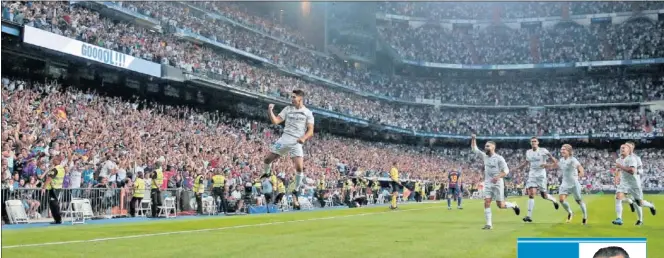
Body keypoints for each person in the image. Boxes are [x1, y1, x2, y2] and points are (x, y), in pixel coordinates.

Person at [470, 134, 520, 230]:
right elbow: (474, 149)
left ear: (493, 147)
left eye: (488, 146)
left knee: (500, 205)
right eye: (485, 146)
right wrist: (473, 138)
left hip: (497, 183)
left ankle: (513, 205)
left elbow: (506, 171)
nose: (485, 147)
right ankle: (489, 224)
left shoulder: (499, 158)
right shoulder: (484, 156)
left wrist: (498, 177)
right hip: (488, 183)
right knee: (487, 202)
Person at [517, 137, 559, 223]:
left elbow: (555, 161)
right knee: (531, 194)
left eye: (535, 141)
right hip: (532, 175)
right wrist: (519, 168)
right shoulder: (528, 152)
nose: (533, 143)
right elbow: (526, 162)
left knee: (544, 195)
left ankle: (554, 200)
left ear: (538, 142)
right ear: (530, 143)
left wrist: (547, 165)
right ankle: (528, 216)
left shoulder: (544, 151)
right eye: (532, 141)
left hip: (541, 175)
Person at [544, 144, 588, 225]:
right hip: (565, 183)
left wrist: (581, 172)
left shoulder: (572, 160)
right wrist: (546, 165)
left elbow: (579, 166)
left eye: (564, 149)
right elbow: (555, 165)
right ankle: (570, 212)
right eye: (561, 149)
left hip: (574, 183)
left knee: (579, 201)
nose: (562, 151)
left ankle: (585, 217)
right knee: (561, 200)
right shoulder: (562, 160)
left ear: (569, 151)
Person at [624, 141, 657, 216]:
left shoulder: (636, 158)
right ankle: (631, 202)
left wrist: (635, 171)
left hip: (635, 183)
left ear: (632, 148)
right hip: (626, 182)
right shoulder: (623, 157)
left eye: (629, 146)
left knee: (639, 203)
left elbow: (641, 170)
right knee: (618, 197)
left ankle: (651, 205)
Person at [613, 144, 642, 226]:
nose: (621, 149)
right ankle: (619, 219)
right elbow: (618, 170)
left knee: (639, 203)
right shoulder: (618, 160)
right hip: (624, 182)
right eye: (620, 148)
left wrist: (620, 167)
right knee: (618, 197)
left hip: (633, 183)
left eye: (623, 148)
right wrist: (616, 177)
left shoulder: (632, 159)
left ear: (628, 150)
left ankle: (649, 207)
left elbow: (632, 171)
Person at [41, 156, 65, 224]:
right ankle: (57, 219)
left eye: (54, 160)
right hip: (58, 188)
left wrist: (43, 187)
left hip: (53, 188)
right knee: (54, 204)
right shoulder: (62, 168)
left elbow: (49, 179)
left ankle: (58, 219)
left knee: (54, 204)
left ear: (57, 161)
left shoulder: (55, 169)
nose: (52, 161)